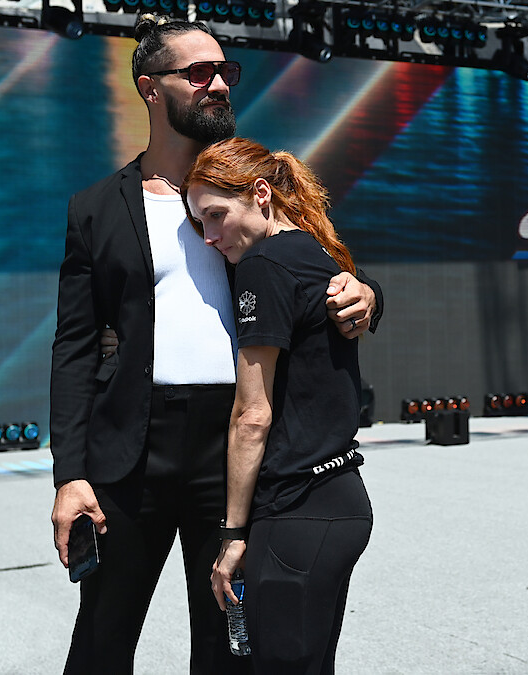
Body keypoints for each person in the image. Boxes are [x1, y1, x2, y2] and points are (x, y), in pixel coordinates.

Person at [49, 15, 383, 675]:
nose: (219, 84)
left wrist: (368, 292)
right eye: (197, 73)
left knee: (230, 646)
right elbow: (74, 349)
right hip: (130, 454)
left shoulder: (245, 190)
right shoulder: (94, 208)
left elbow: (323, 261)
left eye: (224, 71)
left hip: (236, 452)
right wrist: (69, 474)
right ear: (150, 87)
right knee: (100, 643)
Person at [184, 138, 374, 674]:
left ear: (260, 194)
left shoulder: (263, 264)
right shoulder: (318, 254)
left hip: (296, 510)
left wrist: (232, 535)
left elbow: (252, 415)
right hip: (338, 502)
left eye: (217, 215)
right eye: (200, 223)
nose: (211, 236)